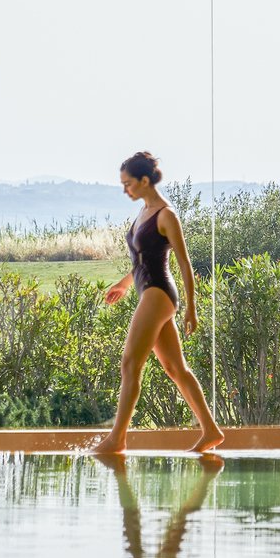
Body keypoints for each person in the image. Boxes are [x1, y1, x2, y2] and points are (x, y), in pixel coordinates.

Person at [93, 151, 224, 455]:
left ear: (144, 180)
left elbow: (184, 263)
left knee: (130, 363)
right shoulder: (144, 212)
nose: (125, 189)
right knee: (175, 368)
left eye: (128, 183)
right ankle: (211, 430)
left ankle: (117, 439)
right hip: (147, 290)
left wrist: (191, 308)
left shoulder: (166, 215)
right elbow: (142, 260)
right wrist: (124, 284)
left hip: (158, 292)